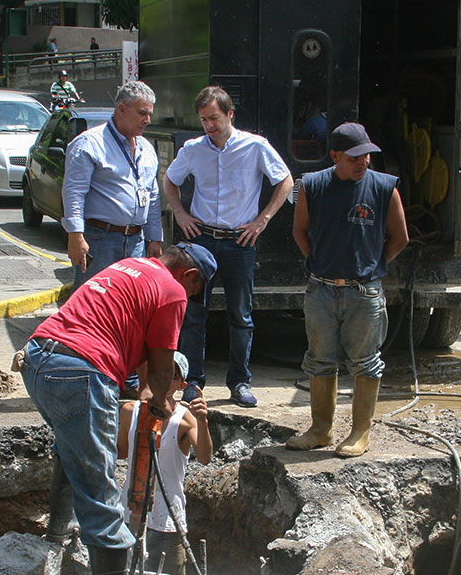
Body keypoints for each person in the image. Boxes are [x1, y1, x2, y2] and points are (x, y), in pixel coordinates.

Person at [18, 243, 217, 575]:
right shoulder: (173, 291)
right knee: (100, 485)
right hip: (82, 370)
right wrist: (159, 401)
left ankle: (60, 528)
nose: (190, 299)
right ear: (190, 277)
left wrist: (146, 392)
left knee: (71, 443)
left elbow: (138, 352)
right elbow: (161, 370)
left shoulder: (132, 266)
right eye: (195, 292)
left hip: (40, 357)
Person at [163, 85, 293, 407]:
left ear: (230, 114)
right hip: (202, 240)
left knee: (241, 315)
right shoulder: (193, 149)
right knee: (194, 314)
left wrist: (262, 221)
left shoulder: (255, 147)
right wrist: (180, 213)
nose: (209, 125)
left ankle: (239, 382)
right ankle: (193, 381)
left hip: (239, 240)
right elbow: (169, 180)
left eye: (214, 118)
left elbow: (286, 181)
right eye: (204, 119)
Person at [286, 122, 409, 457]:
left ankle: (360, 433)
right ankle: (320, 430)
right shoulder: (312, 186)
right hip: (321, 291)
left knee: (366, 362)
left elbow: (400, 238)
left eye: (367, 155)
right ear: (335, 156)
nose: (363, 162)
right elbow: (300, 231)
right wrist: (319, 265)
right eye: (354, 157)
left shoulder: (384, 188)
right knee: (319, 360)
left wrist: (371, 266)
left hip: (364, 293)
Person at [118, 350, 212, 575]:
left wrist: (202, 421)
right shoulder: (130, 411)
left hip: (169, 519)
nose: (163, 379)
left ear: (181, 385)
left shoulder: (185, 419)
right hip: (131, 515)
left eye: (171, 375)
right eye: (159, 372)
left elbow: (204, 457)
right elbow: (120, 452)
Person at [62, 80, 162, 290]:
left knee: (127, 306)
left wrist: (155, 239)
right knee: (93, 306)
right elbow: (74, 193)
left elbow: (152, 196)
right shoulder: (90, 143)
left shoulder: (146, 148)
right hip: (100, 241)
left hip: (136, 240)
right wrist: (75, 235)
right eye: (142, 113)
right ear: (122, 109)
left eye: (150, 114)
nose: (147, 120)